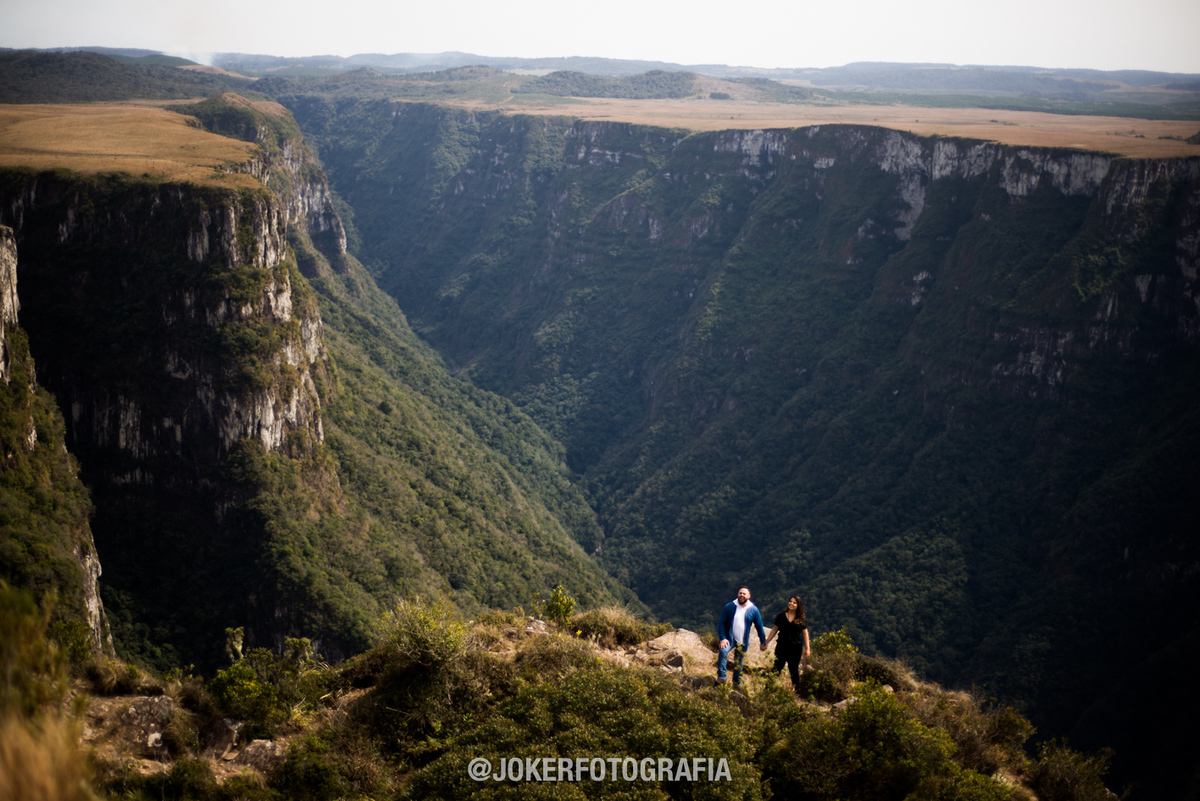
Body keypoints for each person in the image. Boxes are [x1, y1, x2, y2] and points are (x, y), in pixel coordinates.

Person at [717, 586, 766, 687]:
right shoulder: (729, 606)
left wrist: (763, 642)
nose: (742, 595)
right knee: (723, 651)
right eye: (740, 593)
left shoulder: (753, 610)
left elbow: (759, 626)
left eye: (744, 594)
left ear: (749, 596)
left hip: (743, 641)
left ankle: (736, 683)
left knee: (738, 661)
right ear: (737, 594)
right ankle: (721, 677)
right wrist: (722, 638)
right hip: (729, 638)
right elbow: (721, 623)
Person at [763, 594, 810, 692]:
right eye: (790, 601)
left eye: (794, 602)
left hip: (795, 648)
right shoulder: (781, 616)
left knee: (793, 669)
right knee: (777, 667)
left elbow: (805, 634)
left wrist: (807, 648)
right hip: (782, 646)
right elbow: (774, 630)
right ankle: (767, 689)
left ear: (798, 605)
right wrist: (766, 641)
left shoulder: (801, 618)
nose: (791, 604)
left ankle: (796, 690)